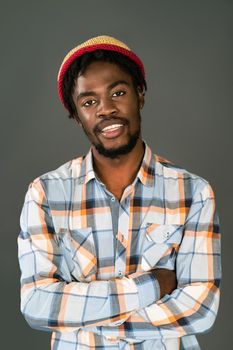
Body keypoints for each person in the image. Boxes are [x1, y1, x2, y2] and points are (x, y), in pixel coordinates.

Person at [18, 35, 221, 350]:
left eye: (118, 92)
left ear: (140, 95)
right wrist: (150, 286)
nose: (106, 110)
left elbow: (200, 310)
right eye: (89, 102)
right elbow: (37, 304)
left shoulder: (193, 193)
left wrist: (87, 321)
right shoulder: (45, 194)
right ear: (75, 114)